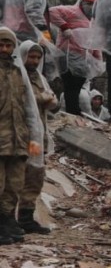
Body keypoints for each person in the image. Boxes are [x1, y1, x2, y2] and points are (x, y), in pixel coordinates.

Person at [16, 41, 57, 234]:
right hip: (20, 135)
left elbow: (52, 99)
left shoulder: (40, 77)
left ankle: (26, 217)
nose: (34, 61)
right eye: (31, 56)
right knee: (15, 177)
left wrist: (47, 99)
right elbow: (24, 98)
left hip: (37, 137)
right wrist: (43, 98)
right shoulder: (17, 75)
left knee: (34, 176)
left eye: (37, 57)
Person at [47, 0, 101, 115]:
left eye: (93, 4)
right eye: (88, 3)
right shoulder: (72, 11)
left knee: (78, 83)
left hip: (82, 56)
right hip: (68, 53)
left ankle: (74, 110)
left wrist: (97, 57)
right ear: (82, 3)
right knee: (71, 83)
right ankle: (72, 110)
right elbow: (51, 12)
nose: (90, 6)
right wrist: (64, 27)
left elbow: (94, 39)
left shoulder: (93, 20)